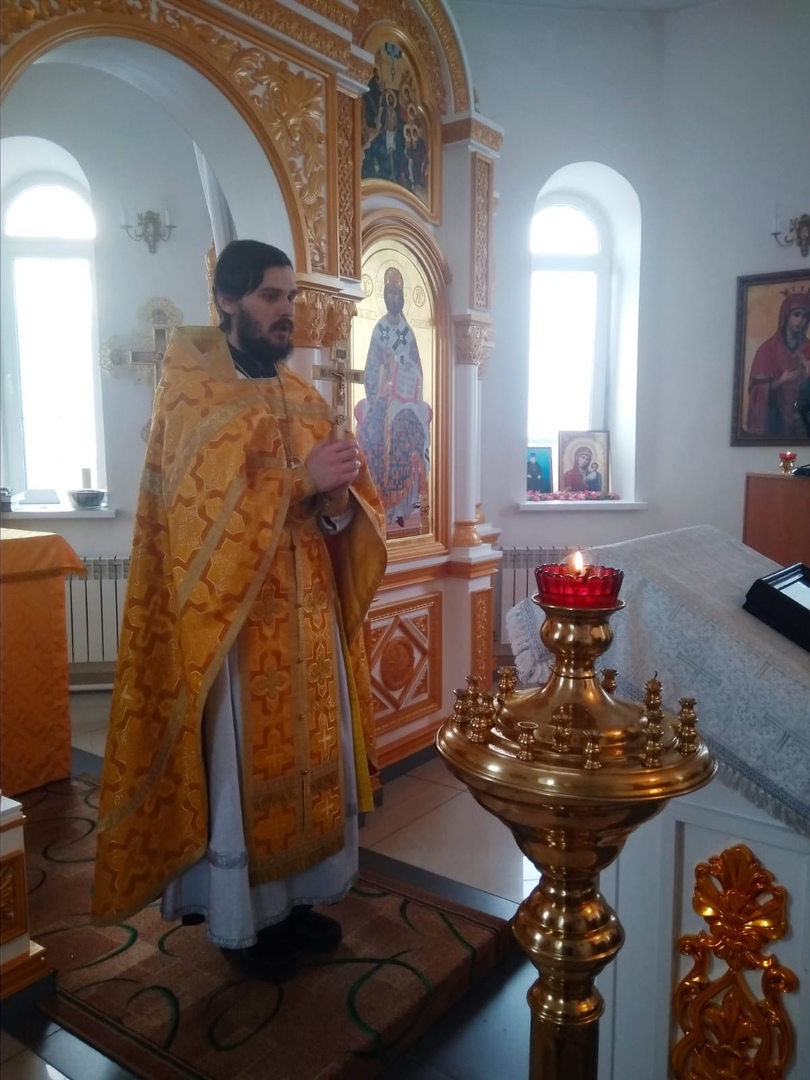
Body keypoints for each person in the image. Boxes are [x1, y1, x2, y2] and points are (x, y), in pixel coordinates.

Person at [91, 240, 388, 983]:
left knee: (314, 762)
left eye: (291, 297)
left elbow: (337, 516)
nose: (286, 311)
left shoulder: (304, 396)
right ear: (226, 301)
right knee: (239, 777)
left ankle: (299, 901)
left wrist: (337, 498)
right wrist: (301, 480)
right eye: (269, 297)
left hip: (308, 618)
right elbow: (198, 519)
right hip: (234, 627)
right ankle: (243, 921)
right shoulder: (194, 398)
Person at [355, 266, 431, 528]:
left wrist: (402, 367)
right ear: (385, 297)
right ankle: (377, 503)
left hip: (406, 401)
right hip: (382, 397)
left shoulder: (407, 334)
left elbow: (417, 369)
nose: (393, 298)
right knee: (372, 432)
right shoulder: (379, 331)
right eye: (389, 294)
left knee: (404, 432)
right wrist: (380, 384)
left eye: (397, 294)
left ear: (402, 297)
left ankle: (401, 507)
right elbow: (370, 367)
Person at [746, 291, 810, 437]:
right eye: (796, 314)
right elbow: (755, 392)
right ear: (785, 316)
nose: (801, 320)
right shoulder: (766, 350)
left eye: (805, 316)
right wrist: (779, 382)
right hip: (776, 421)